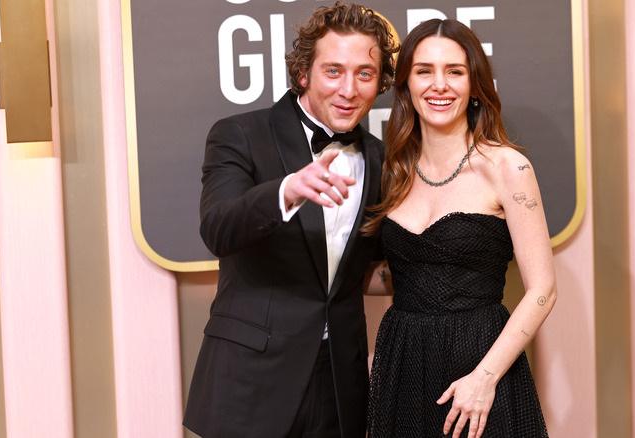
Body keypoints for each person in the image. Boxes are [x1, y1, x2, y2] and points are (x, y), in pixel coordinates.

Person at [183, 3, 397, 437]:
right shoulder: (239, 134)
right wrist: (287, 190)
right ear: (304, 73)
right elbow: (218, 228)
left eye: (364, 74)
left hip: (340, 382)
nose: (349, 90)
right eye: (333, 71)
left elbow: (365, 268)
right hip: (252, 379)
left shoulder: (379, 158)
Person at [363, 19, 556, 438]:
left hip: (480, 363)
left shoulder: (507, 168)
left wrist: (484, 379)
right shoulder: (393, 171)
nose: (439, 85)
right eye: (424, 71)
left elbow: (542, 290)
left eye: (454, 71)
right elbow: (401, 274)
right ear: (406, 85)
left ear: (474, 84)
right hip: (404, 366)